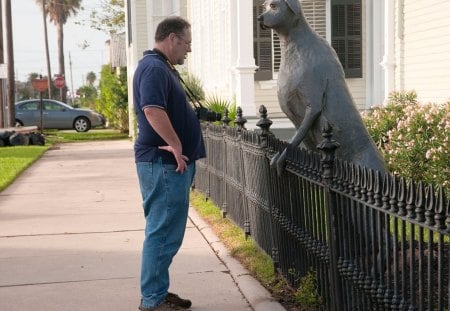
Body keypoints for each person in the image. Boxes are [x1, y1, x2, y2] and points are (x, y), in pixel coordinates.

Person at [133, 16, 205, 311]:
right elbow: (152, 109)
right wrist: (176, 145)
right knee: (162, 232)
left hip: (166, 165)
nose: (188, 50)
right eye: (187, 43)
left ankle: (157, 293)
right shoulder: (153, 67)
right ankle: (152, 299)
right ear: (172, 38)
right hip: (162, 163)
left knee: (166, 233)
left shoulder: (161, 67)